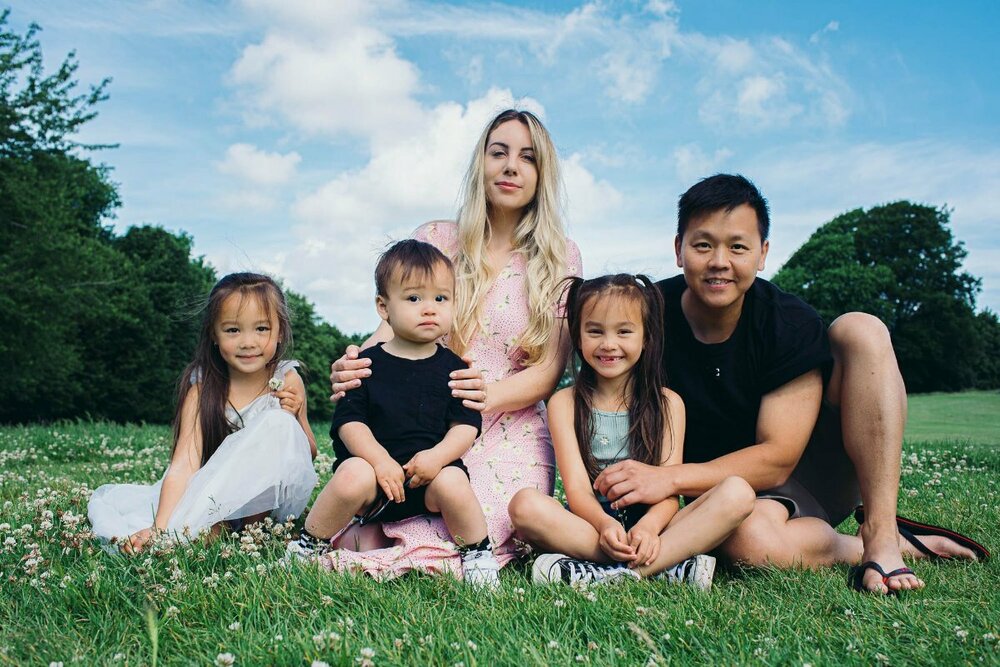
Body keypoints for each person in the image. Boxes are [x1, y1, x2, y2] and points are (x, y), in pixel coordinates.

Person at [593, 174, 986, 595]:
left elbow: (778, 457)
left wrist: (668, 479)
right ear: (678, 249)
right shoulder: (647, 313)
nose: (719, 261)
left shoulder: (787, 321)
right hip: (729, 495)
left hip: (814, 471)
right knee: (750, 546)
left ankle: (883, 534)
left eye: (738, 247)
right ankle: (868, 547)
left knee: (862, 329)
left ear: (762, 254)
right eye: (703, 244)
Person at [324, 109, 582, 579]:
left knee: (467, 527)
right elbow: (392, 329)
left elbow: (549, 370)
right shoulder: (437, 238)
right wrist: (357, 363)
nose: (510, 167)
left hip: (512, 425)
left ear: (542, 174)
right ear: (480, 162)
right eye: (498, 152)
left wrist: (482, 396)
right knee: (381, 509)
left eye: (527, 158)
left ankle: (414, 549)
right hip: (424, 417)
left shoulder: (560, 254)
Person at [509, 274, 754, 589]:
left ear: (646, 337)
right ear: (578, 336)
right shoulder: (564, 403)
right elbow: (578, 492)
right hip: (592, 527)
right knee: (525, 505)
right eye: (595, 331)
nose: (608, 344)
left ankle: (615, 574)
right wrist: (604, 524)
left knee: (738, 493)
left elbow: (669, 492)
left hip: (657, 528)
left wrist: (650, 528)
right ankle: (667, 567)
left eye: (624, 331)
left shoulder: (668, 403)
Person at [289, 240, 500, 587]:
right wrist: (379, 461)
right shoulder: (366, 364)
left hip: (428, 477)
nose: (429, 309)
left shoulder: (454, 367)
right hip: (375, 480)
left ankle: (477, 553)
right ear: (383, 307)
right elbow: (348, 422)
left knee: (454, 481)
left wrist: (436, 458)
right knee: (352, 474)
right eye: (414, 299)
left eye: (441, 298)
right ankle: (309, 544)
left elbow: (465, 426)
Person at [88, 273, 318, 553]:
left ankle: (246, 528)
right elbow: (185, 463)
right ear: (213, 333)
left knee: (277, 423)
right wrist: (162, 526)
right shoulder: (203, 389)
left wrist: (293, 417)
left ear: (280, 331)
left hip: (267, 505)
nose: (248, 342)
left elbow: (308, 454)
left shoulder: (288, 379)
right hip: (214, 494)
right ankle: (211, 527)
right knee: (194, 535)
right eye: (233, 330)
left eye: (261, 328)